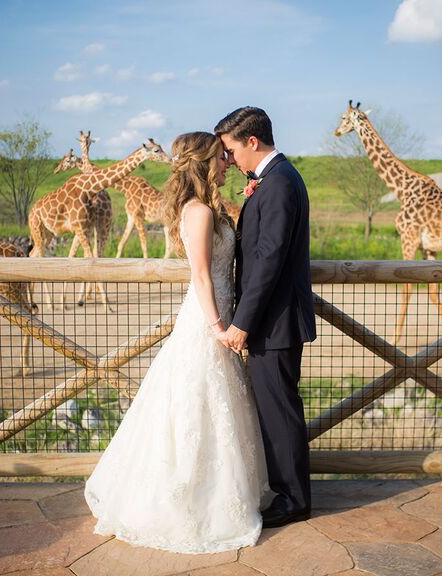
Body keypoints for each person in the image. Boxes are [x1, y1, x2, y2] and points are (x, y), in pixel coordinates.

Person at [84, 131, 271, 554]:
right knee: (194, 403)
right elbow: (202, 275)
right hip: (208, 318)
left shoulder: (210, 206)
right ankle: (189, 497)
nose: (227, 162)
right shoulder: (199, 211)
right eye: (221, 157)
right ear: (205, 162)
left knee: (215, 405)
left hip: (216, 312)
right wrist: (219, 327)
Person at [215, 107, 317, 528]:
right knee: (276, 408)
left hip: (273, 322)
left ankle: (294, 499)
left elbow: (268, 260)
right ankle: (289, 492)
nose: (230, 160)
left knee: (280, 412)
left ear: (251, 142)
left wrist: (242, 322)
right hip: (271, 320)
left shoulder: (278, 184)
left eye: (231, 150)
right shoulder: (272, 180)